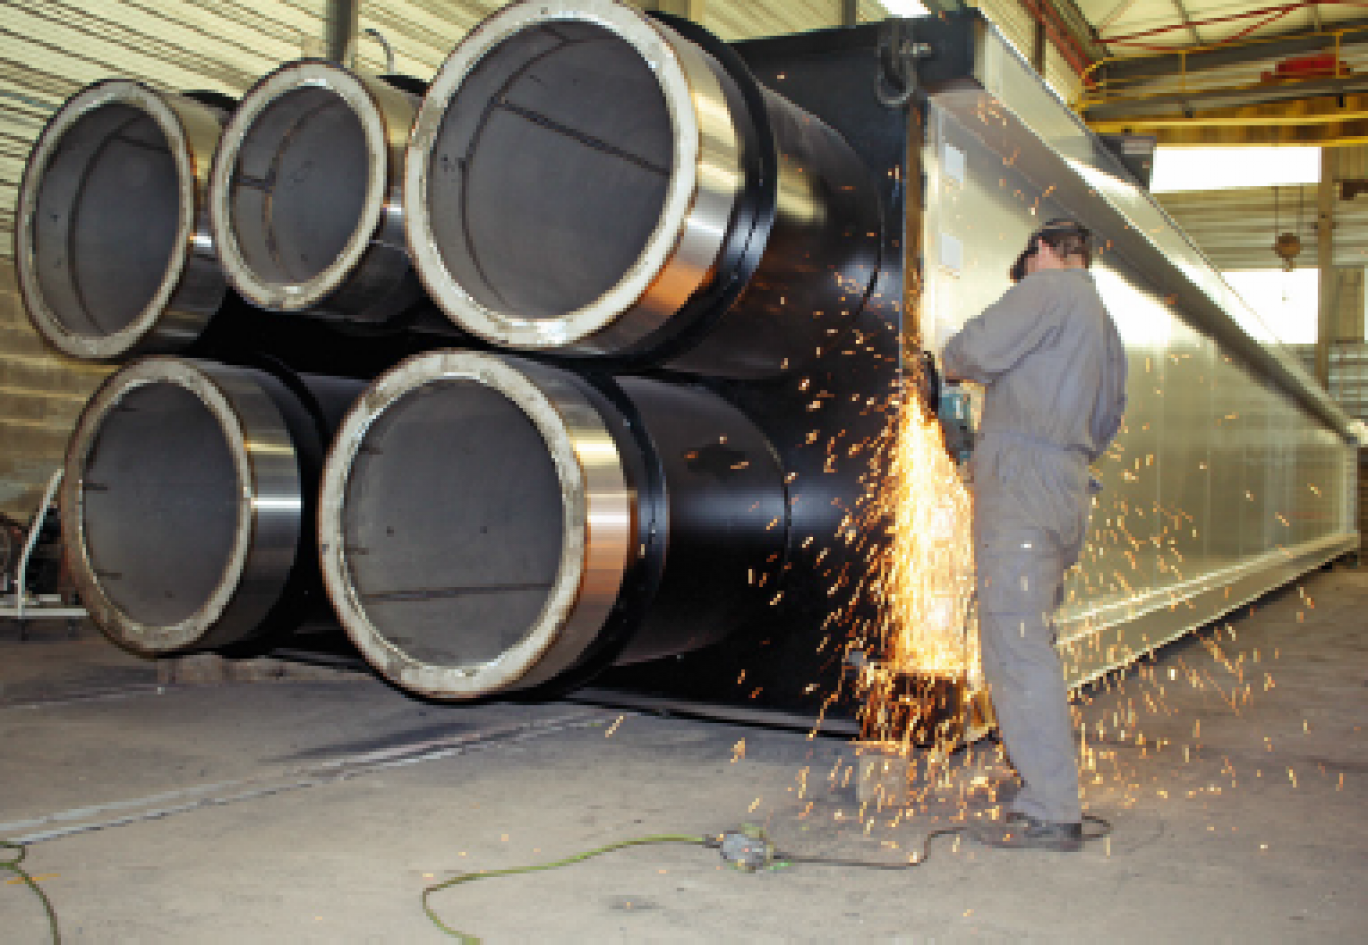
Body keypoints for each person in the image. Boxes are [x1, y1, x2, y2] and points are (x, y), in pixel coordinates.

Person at [939, 218, 1128, 852]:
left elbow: (968, 352)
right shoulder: (1103, 321)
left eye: (1030, 257)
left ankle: (1052, 806)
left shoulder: (1047, 290)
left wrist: (947, 364)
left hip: (1026, 484)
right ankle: (1044, 789)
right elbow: (1107, 421)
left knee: (1017, 647)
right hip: (1068, 484)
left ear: (1045, 250)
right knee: (1031, 637)